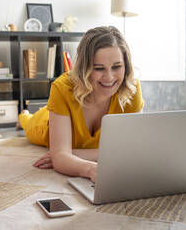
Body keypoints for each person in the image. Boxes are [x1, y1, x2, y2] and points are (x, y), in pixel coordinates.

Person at [17, 26, 144, 182]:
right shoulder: (62, 88)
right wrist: (92, 169)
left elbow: (134, 149)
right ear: (84, 68)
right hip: (43, 125)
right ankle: (23, 116)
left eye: (117, 67)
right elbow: (60, 160)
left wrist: (73, 154)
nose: (109, 77)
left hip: (65, 123)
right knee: (28, 121)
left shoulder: (131, 87)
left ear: (126, 65)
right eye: (98, 68)